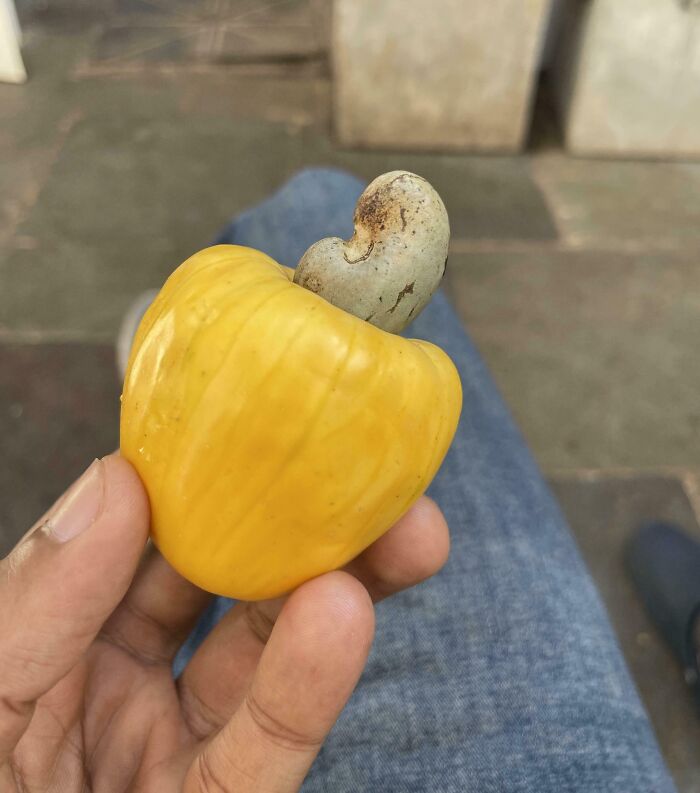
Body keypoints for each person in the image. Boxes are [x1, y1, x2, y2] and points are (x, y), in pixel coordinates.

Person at [1, 169, 677, 792]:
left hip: (204, 424)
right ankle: (183, 367)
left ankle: (179, 365)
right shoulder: (426, 396)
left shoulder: (230, 285)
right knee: (313, 201)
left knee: (309, 198)